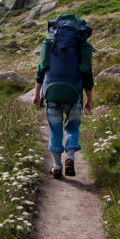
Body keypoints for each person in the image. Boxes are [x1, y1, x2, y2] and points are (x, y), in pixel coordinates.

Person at [32, 14, 94, 179]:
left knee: (55, 130)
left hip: (51, 94)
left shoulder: (49, 43)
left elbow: (41, 70)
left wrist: (37, 94)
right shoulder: (82, 46)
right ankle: (70, 157)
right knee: (73, 127)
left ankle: (57, 166)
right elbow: (87, 75)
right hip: (74, 95)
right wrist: (89, 98)